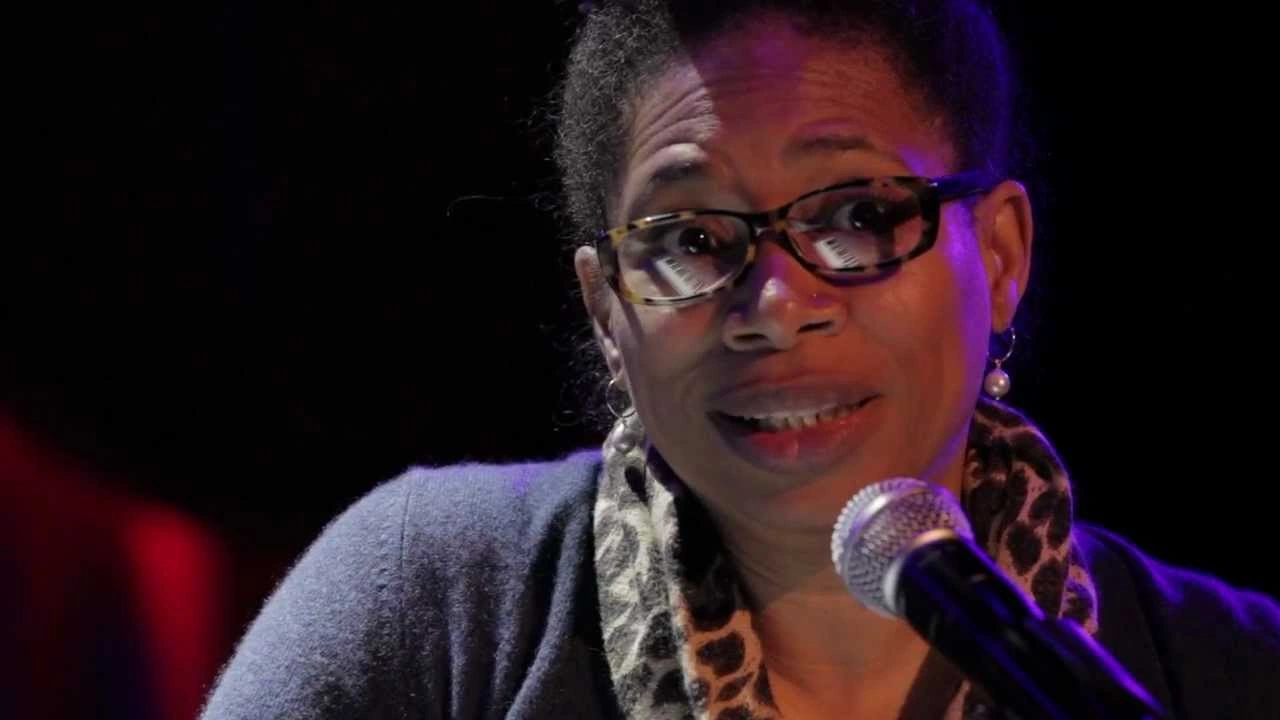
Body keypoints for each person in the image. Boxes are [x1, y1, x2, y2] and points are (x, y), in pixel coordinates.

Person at [199, 1, 1280, 718]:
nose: (773, 307)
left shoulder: (1230, 671)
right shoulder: (438, 605)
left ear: (998, 256)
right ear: (605, 310)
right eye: (688, 240)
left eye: (857, 215)